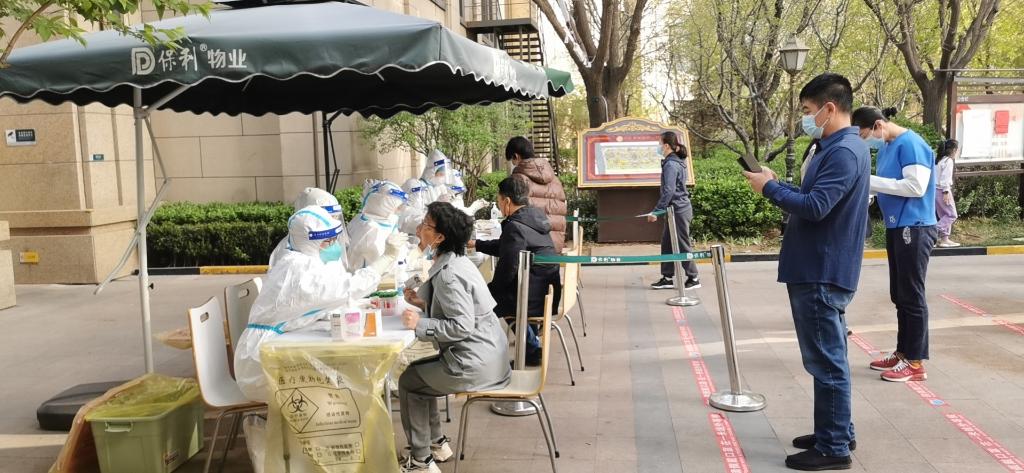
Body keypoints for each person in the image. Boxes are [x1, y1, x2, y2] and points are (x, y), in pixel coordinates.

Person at [743, 73, 869, 471]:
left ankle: (833, 448)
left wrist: (768, 190)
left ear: (829, 108)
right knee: (830, 358)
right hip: (821, 265)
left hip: (820, 269)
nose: (806, 118)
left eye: (808, 110)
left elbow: (816, 208)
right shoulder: (839, 147)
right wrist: (777, 184)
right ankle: (836, 431)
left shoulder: (843, 151)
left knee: (826, 362)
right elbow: (814, 197)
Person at [234, 205, 406, 402]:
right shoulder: (298, 269)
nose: (334, 245)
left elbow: (317, 303)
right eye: (328, 241)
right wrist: (387, 257)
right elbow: (348, 287)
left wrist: (357, 304)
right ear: (310, 242)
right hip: (261, 360)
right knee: (345, 385)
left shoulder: (302, 260)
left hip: (277, 346)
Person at [398, 202, 511, 473]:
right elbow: (460, 309)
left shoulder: (449, 274)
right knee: (420, 377)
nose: (419, 228)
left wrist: (420, 323)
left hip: (476, 363)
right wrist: (423, 304)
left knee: (409, 381)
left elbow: (461, 325)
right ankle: (435, 444)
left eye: (425, 225)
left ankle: (421, 461)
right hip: (490, 355)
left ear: (439, 237)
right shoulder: (459, 262)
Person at [853, 106, 937, 383]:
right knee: (900, 295)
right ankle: (903, 353)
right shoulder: (887, 147)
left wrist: (868, 181)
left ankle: (915, 362)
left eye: (864, 136)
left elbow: (916, 187)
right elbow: (887, 185)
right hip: (897, 226)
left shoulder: (911, 144)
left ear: (878, 125)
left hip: (915, 226)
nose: (866, 142)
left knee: (912, 295)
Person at [469, 176, 561, 366]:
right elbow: (507, 247)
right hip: (545, 289)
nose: (499, 205)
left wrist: (488, 292)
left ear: (507, 201)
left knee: (486, 302)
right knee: (502, 295)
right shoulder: (533, 217)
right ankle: (531, 347)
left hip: (533, 295)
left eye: (499, 200)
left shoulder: (515, 226)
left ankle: (524, 351)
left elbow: (508, 268)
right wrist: (477, 244)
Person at [648, 131, 701, 290]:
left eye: (659, 143)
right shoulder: (674, 161)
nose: (658, 147)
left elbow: (669, 190)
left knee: (682, 243)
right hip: (674, 210)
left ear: (666, 145)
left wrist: (657, 211)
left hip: (679, 209)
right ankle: (667, 277)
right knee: (667, 243)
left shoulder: (671, 164)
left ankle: (693, 277)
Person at [506, 137, 568, 253]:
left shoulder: (518, 180)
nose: (513, 164)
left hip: (532, 248)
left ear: (516, 156)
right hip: (554, 246)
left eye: (511, 161)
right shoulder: (554, 179)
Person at [267, 187, 347, 269]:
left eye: (336, 217)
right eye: (329, 217)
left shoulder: (329, 246)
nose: (331, 223)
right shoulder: (290, 257)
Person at [346, 180, 408, 269]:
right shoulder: (369, 230)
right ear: (383, 206)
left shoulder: (386, 222)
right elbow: (365, 269)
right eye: (397, 208)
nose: (398, 211)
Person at [935, 139, 961, 248]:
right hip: (943, 190)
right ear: (954, 150)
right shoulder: (948, 161)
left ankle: (944, 240)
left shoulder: (939, 160)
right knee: (951, 215)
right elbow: (945, 178)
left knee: (944, 215)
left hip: (935, 190)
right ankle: (932, 232)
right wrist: (946, 192)